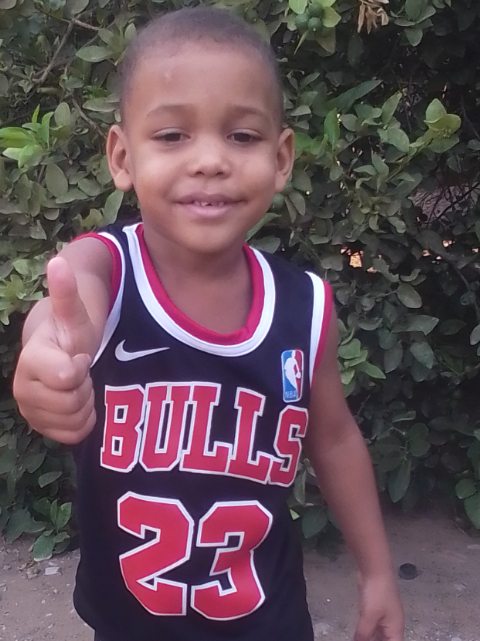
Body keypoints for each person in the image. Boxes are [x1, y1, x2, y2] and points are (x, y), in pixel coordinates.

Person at [13, 7, 404, 641]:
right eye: (172, 136)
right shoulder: (109, 270)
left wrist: (378, 573)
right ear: (122, 157)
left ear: (281, 158)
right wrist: (47, 350)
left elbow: (333, 440)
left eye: (242, 137)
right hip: (129, 626)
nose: (210, 160)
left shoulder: (304, 307)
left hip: (269, 622)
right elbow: (69, 298)